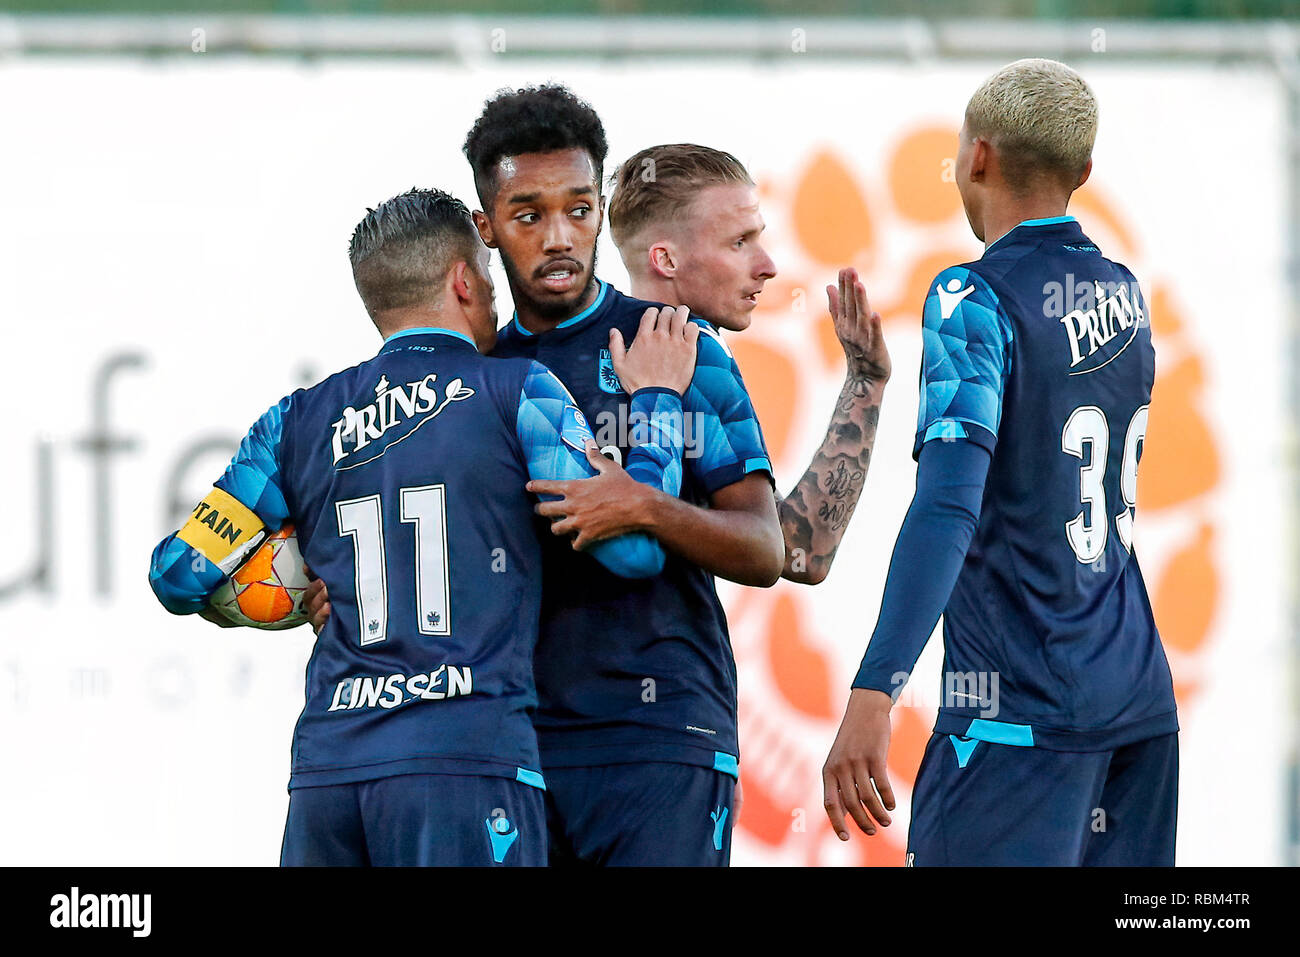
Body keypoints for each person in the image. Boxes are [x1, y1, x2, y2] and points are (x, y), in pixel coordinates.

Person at [148, 187, 697, 866]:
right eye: (489, 282)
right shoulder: (519, 392)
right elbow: (638, 550)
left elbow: (179, 575)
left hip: (329, 776)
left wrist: (279, 601)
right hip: (467, 767)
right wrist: (658, 400)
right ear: (463, 281)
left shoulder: (292, 422)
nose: (496, 301)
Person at [821, 58, 1179, 866]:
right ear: (1083, 173)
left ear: (975, 157)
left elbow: (950, 506)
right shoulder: (1125, 293)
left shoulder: (969, 300)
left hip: (1018, 715)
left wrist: (877, 688)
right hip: (1140, 707)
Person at [606, 143, 891, 585]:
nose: (768, 266)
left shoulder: (537, 355)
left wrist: (864, 378)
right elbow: (800, 549)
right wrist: (867, 383)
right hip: (671, 651)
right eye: (739, 242)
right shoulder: (700, 354)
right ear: (665, 259)